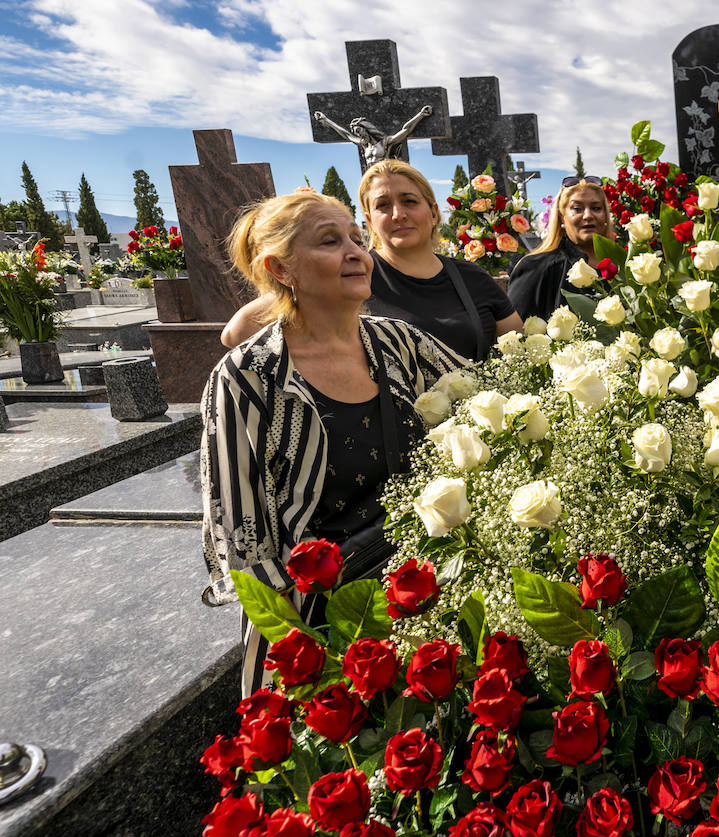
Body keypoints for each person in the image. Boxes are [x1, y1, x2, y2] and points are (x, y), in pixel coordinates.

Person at [202, 190, 471, 695]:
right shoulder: (249, 376)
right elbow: (242, 535)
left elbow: (493, 395)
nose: (356, 252)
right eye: (330, 241)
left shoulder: (398, 341)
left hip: (430, 590)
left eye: (355, 237)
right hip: (327, 623)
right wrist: (297, 652)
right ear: (281, 269)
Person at [222, 159, 522, 360]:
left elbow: (519, 346)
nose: (398, 214)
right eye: (382, 205)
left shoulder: (471, 277)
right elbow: (238, 331)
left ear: (433, 213)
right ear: (369, 219)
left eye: (409, 201)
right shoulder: (351, 275)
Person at [507, 176, 615, 320]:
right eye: (577, 209)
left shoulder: (621, 266)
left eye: (596, 208)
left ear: (605, 215)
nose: (588, 215)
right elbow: (514, 335)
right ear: (562, 217)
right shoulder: (537, 268)